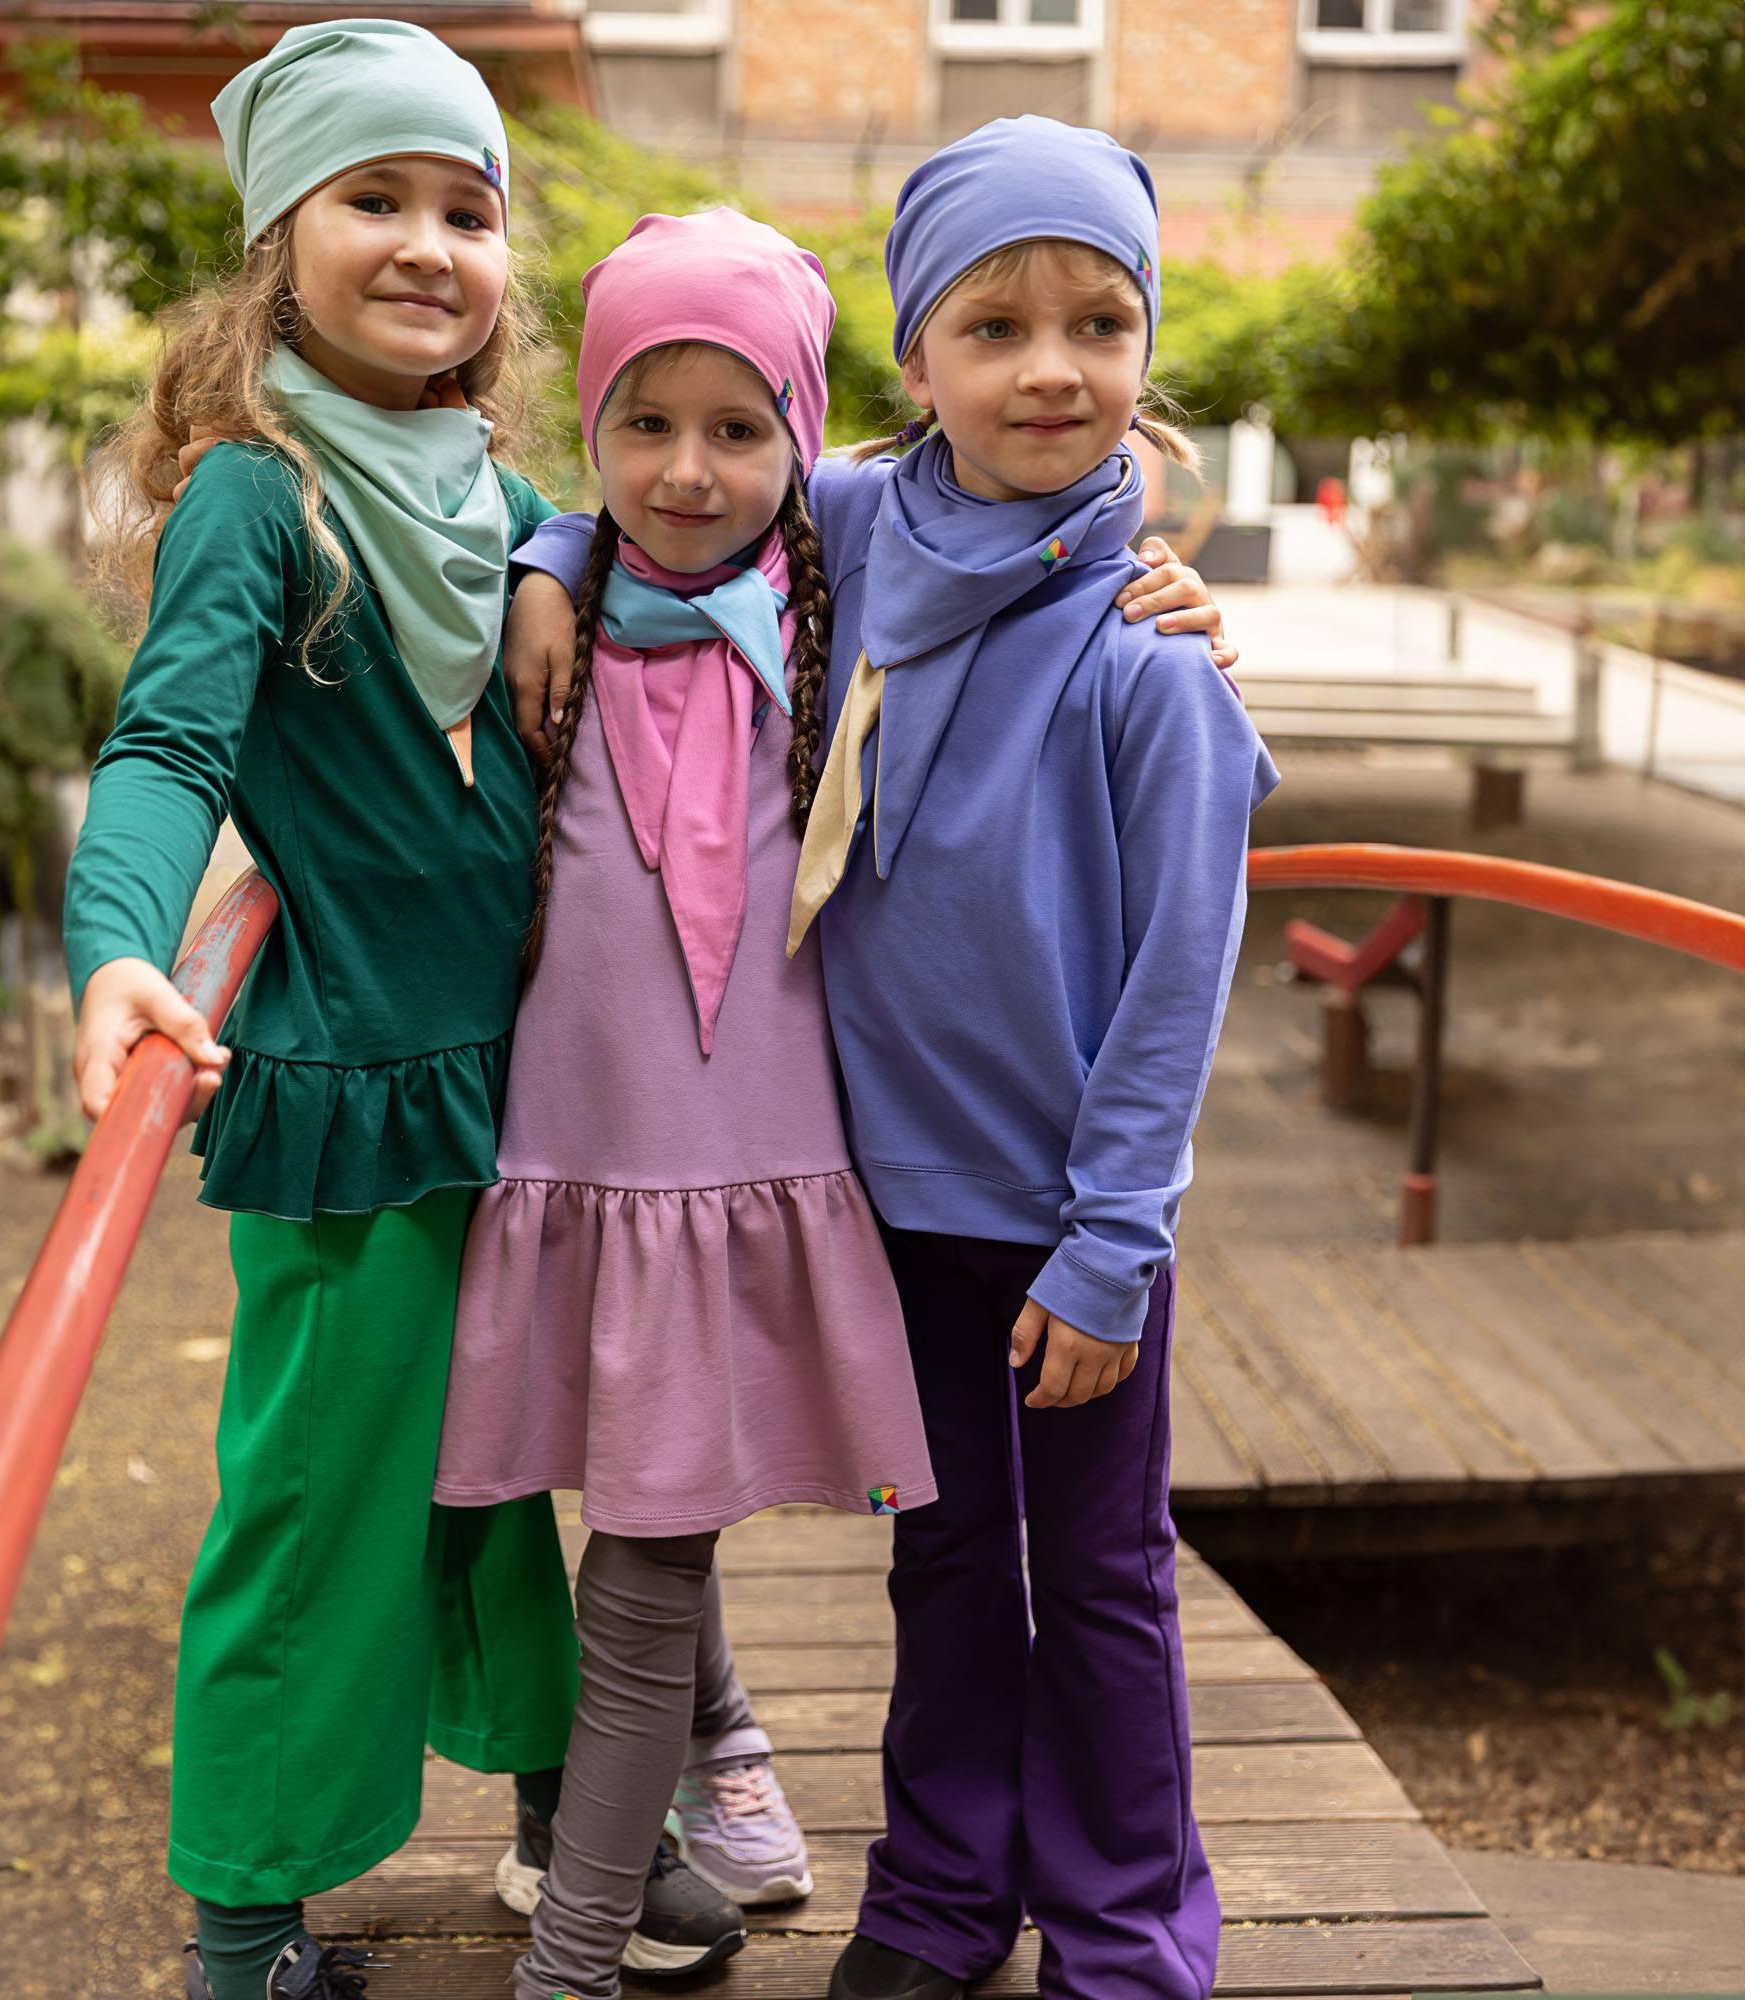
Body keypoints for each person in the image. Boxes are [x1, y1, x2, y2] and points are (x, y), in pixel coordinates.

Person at [506, 118, 1277, 2000]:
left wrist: (1115, 1239)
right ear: (910, 365)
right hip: (883, 1191)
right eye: (992, 323)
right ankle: (940, 1897)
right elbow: (659, 490)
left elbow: (1181, 979)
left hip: (1067, 1215)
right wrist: (541, 561)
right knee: (939, 1571)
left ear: (1145, 356)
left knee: (1095, 1585)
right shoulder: (843, 525)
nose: (1049, 368)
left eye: (1101, 326)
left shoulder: (1145, 650)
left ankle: (1121, 1928)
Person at [66, 23, 586, 1998]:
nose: (428, 242)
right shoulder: (257, 499)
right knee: (310, 1498)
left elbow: (740, 584)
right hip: (343, 1084)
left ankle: (569, 1823)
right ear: (281, 244)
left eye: (467, 207)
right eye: (376, 199)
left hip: (510, 1088)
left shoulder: (514, 504)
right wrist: (120, 940)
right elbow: (167, 745)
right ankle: (247, 1929)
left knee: (498, 1471)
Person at [430, 208, 937, 2000]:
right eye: (643, 426)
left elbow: (1001, 502)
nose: (691, 471)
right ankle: (729, 1751)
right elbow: (558, 516)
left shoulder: (838, 586)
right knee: (638, 1479)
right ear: (589, 429)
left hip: (741, 1161)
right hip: (574, 1151)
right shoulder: (536, 601)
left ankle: (572, 1956)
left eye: (739, 429)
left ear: (798, 431)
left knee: (641, 1554)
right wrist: (560, 560)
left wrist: (1165, 583)